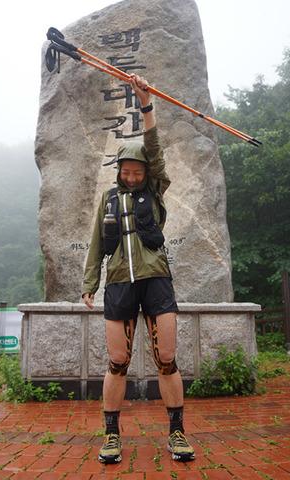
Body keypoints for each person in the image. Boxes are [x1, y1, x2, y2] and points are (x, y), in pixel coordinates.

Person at [81, 73, 195, 464]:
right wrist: (89, 282)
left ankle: (177, 433)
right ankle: (111, 436)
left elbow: (155, 146)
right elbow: (97, 242)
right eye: (125, 170)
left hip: (156, 281)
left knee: (167, 359)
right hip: (118, 284)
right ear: (118, 171)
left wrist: (145, 103)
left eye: (137, 170)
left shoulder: (154, 189)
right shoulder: (108, 200)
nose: (131, 175)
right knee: (117, 363)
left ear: (146, 172)